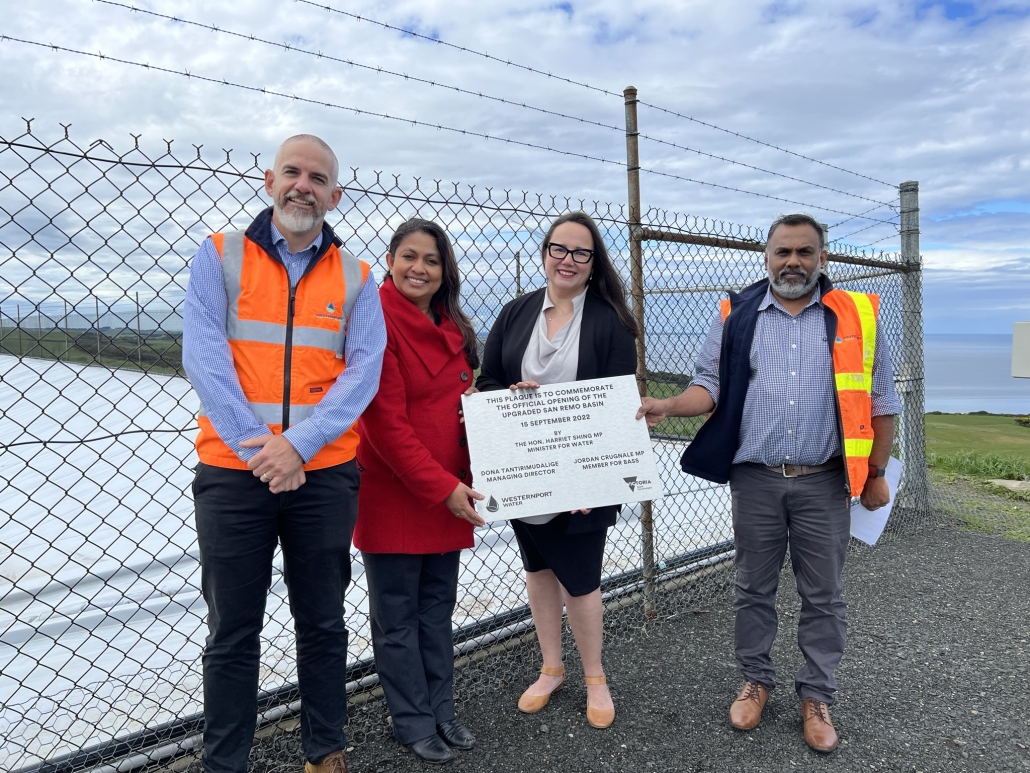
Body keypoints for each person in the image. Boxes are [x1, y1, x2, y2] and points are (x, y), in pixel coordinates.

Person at [637, 213, 901, 753]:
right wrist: (668, 404)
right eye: (783, 252)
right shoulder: (737, 314)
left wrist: (874, 474)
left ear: (823, 259)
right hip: (754, 479)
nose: (793, 262)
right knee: (752, 589)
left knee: (823, 595)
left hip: (825, 482)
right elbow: (707, 385)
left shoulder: (856, 315)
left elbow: (881, 404)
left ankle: (817, 695)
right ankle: (756, 680)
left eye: (805, 252)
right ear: (767, 257)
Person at [182, 134, 386, 773]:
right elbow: (206, 360)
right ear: (269, 180)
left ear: (335, 195)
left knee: (322, 622)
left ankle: (324, 751)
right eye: (292, 172)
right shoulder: (220, 256)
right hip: (232, 474)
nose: (304, 185)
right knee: (233, 632)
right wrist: (261, 450)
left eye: (317, 177)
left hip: (323, 475)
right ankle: (226, 762)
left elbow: (364, 371)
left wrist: (296, 446)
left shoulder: (356, 276)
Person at [476, 211, 638, 730]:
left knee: (583, 580)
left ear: (594, 263)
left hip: (584, 479)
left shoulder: (611, 321)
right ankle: (552, 668)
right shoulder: (514, 312)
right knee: (539, 572)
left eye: (580, 252)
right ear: (545, 253)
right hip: (527, 475)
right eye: (559, 249)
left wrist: (598, 480)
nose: (568, 260)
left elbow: (619, 405)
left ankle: (594, 675)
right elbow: (487, 383)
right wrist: (507, 398)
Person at [353, 218, 485, 764]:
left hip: (450, 487)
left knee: (436, 608)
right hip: (397, 490)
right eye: (409, 256)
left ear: (443, 269)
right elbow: (383, 422)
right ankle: (410, 720)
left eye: (431, 260)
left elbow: (462, 399)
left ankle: (441, 711)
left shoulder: (450, 321)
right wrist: (442, 488)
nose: (419, 269)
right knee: (398, 615)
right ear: (389, 259)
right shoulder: (375, 316)